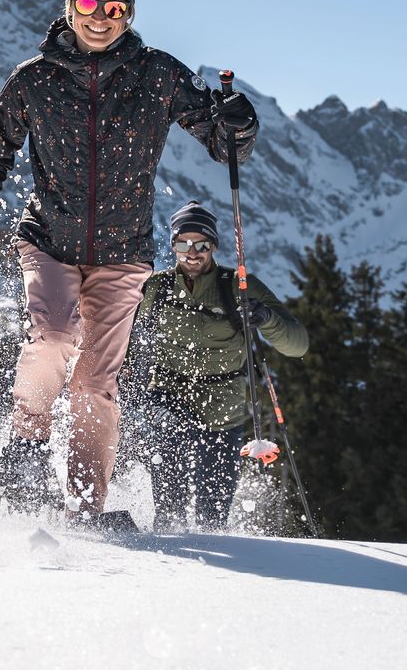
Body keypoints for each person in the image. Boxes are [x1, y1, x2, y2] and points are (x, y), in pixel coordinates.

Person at [0, 0, 258, 521]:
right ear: (70, 6)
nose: (100, 17)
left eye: (114, 7)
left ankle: (84, 505)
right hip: (48, 239)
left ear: (129, 14)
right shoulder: (34, 79)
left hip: (123, 255)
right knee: (54, 336)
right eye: (88, 4)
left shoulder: (158, 74)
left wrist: (241, 123)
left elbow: (224, 144)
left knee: (96, 380)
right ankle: (24, 453)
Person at [127, 201, 308, 532]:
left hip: (224, 410)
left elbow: (298, 344)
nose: (192, 252)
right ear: (173, 246)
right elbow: (119, 328)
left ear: (213, 246)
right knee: (170, 494)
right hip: (168, 397)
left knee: (214, 513)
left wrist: (264, 318)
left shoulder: (236, 286)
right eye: (183, 243)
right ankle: (167, 548)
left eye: (201, 244)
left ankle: (216, 566)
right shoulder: (157, 287)